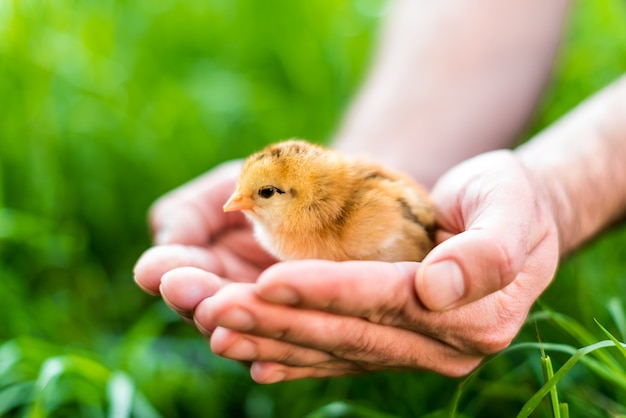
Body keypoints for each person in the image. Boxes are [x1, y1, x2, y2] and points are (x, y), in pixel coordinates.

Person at [133, 0, 626, 383]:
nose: (239, 203)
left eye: (261, 194)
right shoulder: (303, 209)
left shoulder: (337, 217)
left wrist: (561, 191)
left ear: (299, 197)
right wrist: (414, 155)